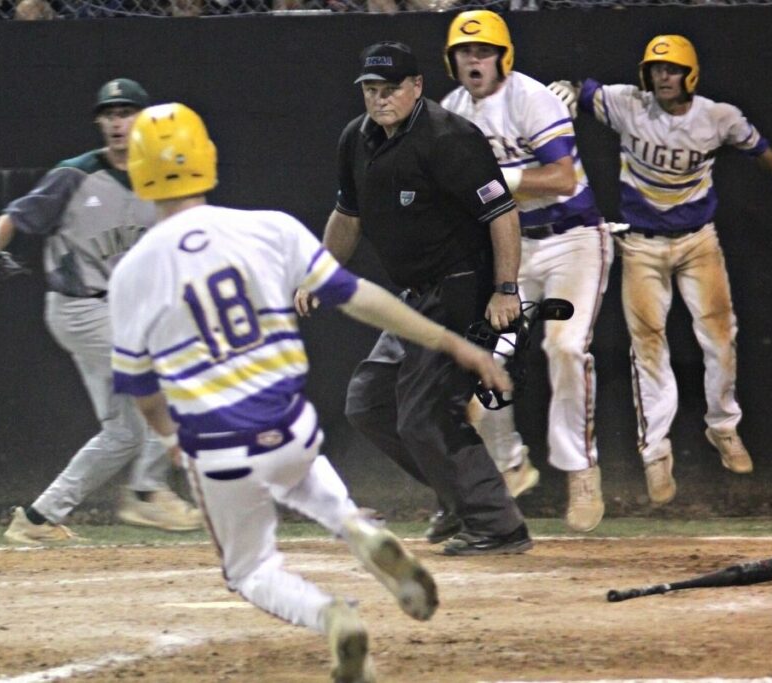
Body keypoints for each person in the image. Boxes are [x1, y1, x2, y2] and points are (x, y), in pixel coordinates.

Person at [111, 102, 512, 682]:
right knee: (297, 470)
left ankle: (331, 616)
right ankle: (356, 527)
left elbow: (143, 390)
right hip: (292, 427)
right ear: (208, 161)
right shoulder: (269, 227)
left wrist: (169, 435)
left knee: (249, 570)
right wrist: (453, 343)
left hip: (219, 445)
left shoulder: (134, 272)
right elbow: (361, 297)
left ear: (138, 173)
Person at [549, 35, 772, 504]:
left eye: (672, 69)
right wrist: (562, 87)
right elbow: (580, 91)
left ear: (691, 74)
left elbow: (758, 149)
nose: (663, 77)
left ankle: (723, 426)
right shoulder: (627, 103)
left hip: (698, 241)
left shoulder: (717, 117)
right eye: (656, 69)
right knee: (648, 348)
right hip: (641, 245)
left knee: (721, 337)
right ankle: (656, 452)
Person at [296, 41, 531, 555]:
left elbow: (502, 213)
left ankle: (497, 524)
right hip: (417, 295)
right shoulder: (355, 140)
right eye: (371, 91)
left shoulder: (450, 138)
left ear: (417, 87)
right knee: (370, 401)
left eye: (391, 90)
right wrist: (319, 272)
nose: (380, 100)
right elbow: (347, 216)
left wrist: (505, 289)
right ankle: (458, 496)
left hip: (464, 289)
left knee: (426, 413)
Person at [0, 78, 202, 545]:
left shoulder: (161, 179)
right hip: (78, 309)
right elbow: (12, 217)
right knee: (166, 373)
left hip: (123, 313)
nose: (117, 122)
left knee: (124, 435)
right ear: (100, 122)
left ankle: (36, 520)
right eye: (109, 114)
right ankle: (147, 490)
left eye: (126, 112)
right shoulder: (74, 175)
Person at [440, 10, 614, 533]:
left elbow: (562, 178)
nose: (475, 59)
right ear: (452, 61)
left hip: (573, 240)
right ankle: (509, 463)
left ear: (504, 56)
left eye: (484, 51)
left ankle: (581, 471)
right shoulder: (449, 111)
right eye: (466, 52)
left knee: (563, 348)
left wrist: (495, 179)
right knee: (487, 357)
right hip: (510, 247)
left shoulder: (530, 98)